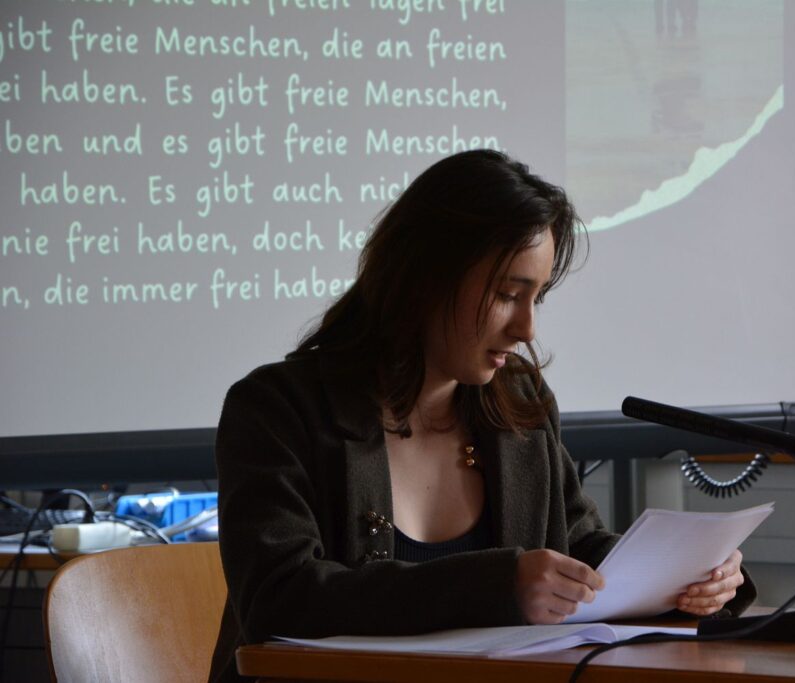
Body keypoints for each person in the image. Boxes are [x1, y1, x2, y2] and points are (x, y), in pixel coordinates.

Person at [208, 150, 753, 682]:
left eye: (537, 298)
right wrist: (499, 585)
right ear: (425, 276)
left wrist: (687, 574)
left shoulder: (520, 402)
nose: (526, 329)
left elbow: (578, 549)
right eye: (507, 294)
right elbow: (279, 599)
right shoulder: (277, 410)